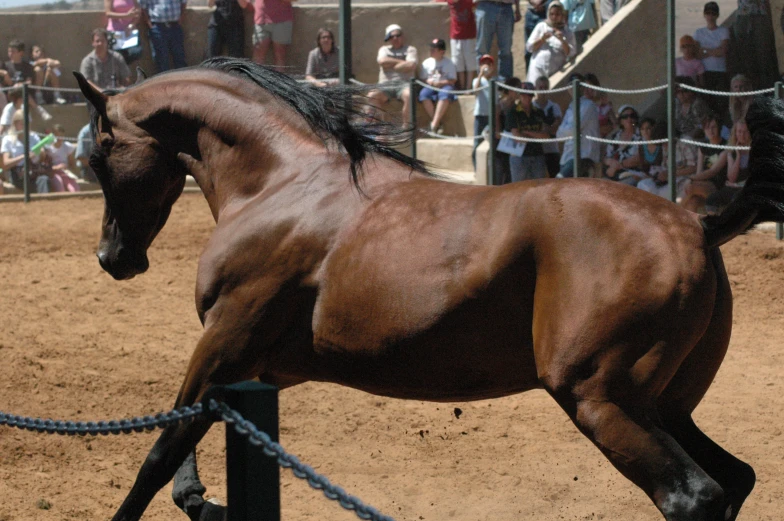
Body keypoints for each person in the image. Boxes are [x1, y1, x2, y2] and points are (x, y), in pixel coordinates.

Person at [366, 24, 418, 127]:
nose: (395, 38)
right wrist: (401, 63)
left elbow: (411, 65)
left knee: (409, 95)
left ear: (402, 36)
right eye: (392, 36)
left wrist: (391, 64)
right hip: (385, 84)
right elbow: (382, 61)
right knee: (372, 96)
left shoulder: (410, 49)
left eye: (398, 35)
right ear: (388, 38)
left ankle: (406, 127)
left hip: (404, 84)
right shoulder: (384, 50)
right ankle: (381, 127)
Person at [501, 80, 549, 182]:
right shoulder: (512, 112)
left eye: (529, 95)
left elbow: (546, 136)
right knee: (519, 190)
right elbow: (518, 138)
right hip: (519, 157)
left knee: (539, 189)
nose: (527, 98)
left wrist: (527, 132)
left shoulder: (539, 112)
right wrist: (536, 136)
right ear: (520, 95)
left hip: (537, 156)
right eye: (524, 95)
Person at [556, 72, 600, 178]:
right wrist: (567, 131)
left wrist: (566, 131)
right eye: (571, 85)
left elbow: (574, 129)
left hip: (583, 157)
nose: (573, 88)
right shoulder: (571, 107)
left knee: (560, 182)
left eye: (577, 85)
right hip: (568, 157)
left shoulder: (588, 105)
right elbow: (559, 135)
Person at [681, 113, 728, 212]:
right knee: (693, 201)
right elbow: (699, 171)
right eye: (707, 128)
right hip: (703, 185)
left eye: (713, 127)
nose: (710, 131)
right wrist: (693, 179)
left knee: (690, 186)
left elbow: (713, 171)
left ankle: (671, 213)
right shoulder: (703, 147)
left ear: (719, 127)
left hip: (717, 186)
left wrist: (691, 178)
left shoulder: (725, 146)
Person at [705, 118, 750, 213]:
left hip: (747, 187)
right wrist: (738, 156)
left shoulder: (755, 149)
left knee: (736, 199)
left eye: (745, 132)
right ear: (735, 132)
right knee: (711, 200)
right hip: (733, 187)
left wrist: (738, 185)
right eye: (739, 131)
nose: (742, 135)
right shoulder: (731, 151)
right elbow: (732, 178)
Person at [731, 0, 778, 90]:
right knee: (746, 59)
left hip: (760, 15)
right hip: (743, 15)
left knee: (764, 58)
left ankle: (766, 90)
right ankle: (750, 91)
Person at [1, 109, 50, 194]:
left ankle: (44, 204)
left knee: (44, 180)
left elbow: (41, 158)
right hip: (17, 173)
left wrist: (41, 153)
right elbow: (5, 164)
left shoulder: (34, 136)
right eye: (22, 124)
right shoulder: (8, 139)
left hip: (33, 170)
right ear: (15, 124)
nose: (25, 126)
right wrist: (25, 156)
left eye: (27, 123)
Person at [525, 1, 575, 84]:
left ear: (562, 15)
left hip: (555, 72)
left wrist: (562, 40)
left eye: (557, 14)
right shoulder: (541, 26)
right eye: (552, 14)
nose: (554, 17)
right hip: (538, 69)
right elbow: (529, 47)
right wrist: (542, 39)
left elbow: (571, 53)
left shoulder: (567, 32)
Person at [2, 40, 52, 121]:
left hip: (23, 92)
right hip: (10, 93)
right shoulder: (5, 65)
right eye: (9, 51)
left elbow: (29, 81)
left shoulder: (27, 66)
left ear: (21, 53)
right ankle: (39, 109)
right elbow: (5, 82)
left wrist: (20, 85)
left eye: (13, 52)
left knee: (23, 91)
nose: (10, 54)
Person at [694, 1, 730, 115]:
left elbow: (723, 51)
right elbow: (697, 53)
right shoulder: (699, 32)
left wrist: (705, 50)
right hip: (704, 73)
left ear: (717, 15)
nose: (710, 16)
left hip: (720, 72)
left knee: (721, 103)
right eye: (708, 13)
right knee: (707, 103)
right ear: (704, 15)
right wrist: (715, 50)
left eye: (713, 13)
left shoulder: (723, 31)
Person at [434, 0, 477, 91]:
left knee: (470, 63)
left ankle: (468, 88)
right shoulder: (450, 1)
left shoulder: (469, 2)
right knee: (458, 63)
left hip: (469, 36)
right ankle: (462, 87)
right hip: (455, 36)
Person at [418, 38, 457, 134]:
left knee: (445, 94)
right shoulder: (426, 63)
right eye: (431, 48)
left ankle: (434, 124)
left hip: (445, 85)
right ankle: (437, 123)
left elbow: (453, 80)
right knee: (423, 94)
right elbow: (422, 78)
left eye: (434, 49)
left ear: (442, 52)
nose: (431, 51)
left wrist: (441, 83)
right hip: (431, 86)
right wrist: (429, 81)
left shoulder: (449, 63)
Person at [475, 0, 521, 81]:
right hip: (486, 6)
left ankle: (505, 86)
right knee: (482, 49)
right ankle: (482, 82)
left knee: (506, 50)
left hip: (506, 7)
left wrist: (517, 8)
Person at [139, 0, 188, 72]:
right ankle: (164, 82)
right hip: (158, 28)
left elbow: (183, 3)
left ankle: (183, 81)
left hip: (175, 26)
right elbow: (142, 7)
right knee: (161, 59)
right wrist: (150, 24)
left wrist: (181, 18)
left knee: (179, 56)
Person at [601, 104, 641, 185]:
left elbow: (640, 158)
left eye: (632, 116)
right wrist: (611, 163)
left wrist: (617, 166)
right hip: (614, 173)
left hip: (633, 174)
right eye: (625, 116)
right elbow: (605, 157)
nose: (629, 119)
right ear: (621, 120)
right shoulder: (616, 136)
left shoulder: (641, 134)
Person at [252, 0, 296, 71]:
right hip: (261, 17)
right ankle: (256, 80)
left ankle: (277, 81)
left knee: (280, 54)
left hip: (282, 18)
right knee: (258, 53)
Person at [533, 75, 562, 176]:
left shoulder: (554, 106)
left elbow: (556, 128)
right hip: (536, 150)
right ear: (535, 88)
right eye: (540, 88)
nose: (543, 90)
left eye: (545, 87)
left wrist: (546, 129)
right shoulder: (532, 107)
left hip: (552, 149)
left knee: (555, 179)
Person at [471, 54, 494, 170]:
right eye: (484, 63)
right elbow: (475, 90)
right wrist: (480, 74)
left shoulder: (496, 81)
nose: (486, 66)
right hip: (480, 115)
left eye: (489, 64)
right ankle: (477, 169)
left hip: (492, 116)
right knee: (477, 142)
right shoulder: (477, 80)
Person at [45, 124, 80, 193]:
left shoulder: (66, 146)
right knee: (59, 186)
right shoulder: (48, 148)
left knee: (75, 189)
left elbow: (72, 162)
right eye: (57, 135)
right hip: (53, 173)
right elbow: (46, 165)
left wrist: (67, 168)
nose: (59, 138)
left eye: (61, 136)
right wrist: (56, 167)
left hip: (65, 172)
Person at [722, 73, 752, 139]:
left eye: (741, 86)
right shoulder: (732, 106)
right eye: (736, 87)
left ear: (746, 87)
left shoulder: (753, 104)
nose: (739, 89)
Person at [524, 0, 550, 70]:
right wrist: (534, 2)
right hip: (531, 13)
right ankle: (529, 79)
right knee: (529, 51)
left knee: (544, 49)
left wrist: (541, 2)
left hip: (546, 13)